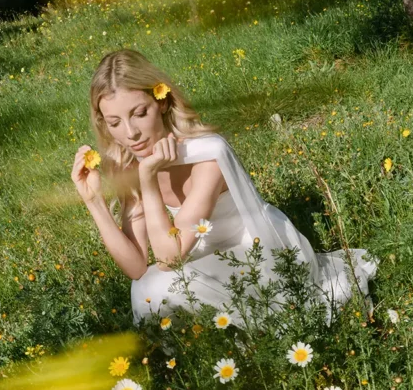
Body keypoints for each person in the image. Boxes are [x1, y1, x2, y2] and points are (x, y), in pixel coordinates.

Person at [71, 48, 376, 328]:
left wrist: (148, 179)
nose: (131, 133)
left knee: (159, 286)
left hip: (262, 254)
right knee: (144, 288)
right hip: (202, 261)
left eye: (140, 113)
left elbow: (168, 258)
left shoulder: (208, 154)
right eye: (114, 122)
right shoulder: (130, 164)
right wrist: (94, 201)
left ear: (161, 102)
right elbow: (136, 267)